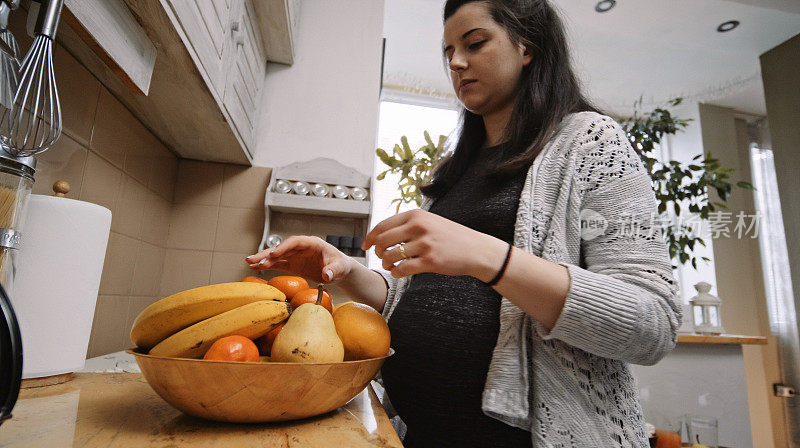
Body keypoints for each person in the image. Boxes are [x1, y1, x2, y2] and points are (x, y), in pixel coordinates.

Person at [246, 0, 681, 446]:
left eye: (474, 43)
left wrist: (487, 257)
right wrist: (348, 271)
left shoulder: (592, 142)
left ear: (526, 45)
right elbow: (422, 294)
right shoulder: (456, 170)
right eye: (448, 50)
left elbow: (654, 324)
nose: (456, 62)